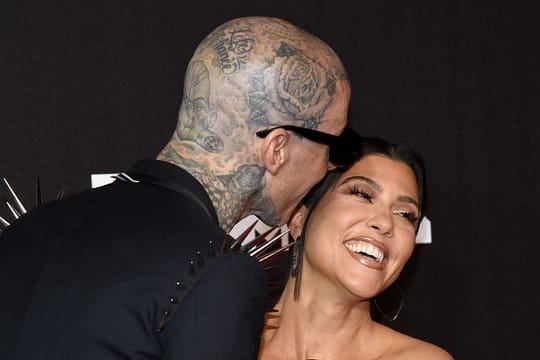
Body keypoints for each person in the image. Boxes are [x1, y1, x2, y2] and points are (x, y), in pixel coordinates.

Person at [0, 17, 350, 359]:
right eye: (331, 146)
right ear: (277, 149)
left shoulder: (29, 228)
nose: (328, 165)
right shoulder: (217, 270)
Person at [259, 137, 453, 359]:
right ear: (298, 219)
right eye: (362, 194)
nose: (385, 223)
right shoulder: (226, 339)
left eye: (405, 214)